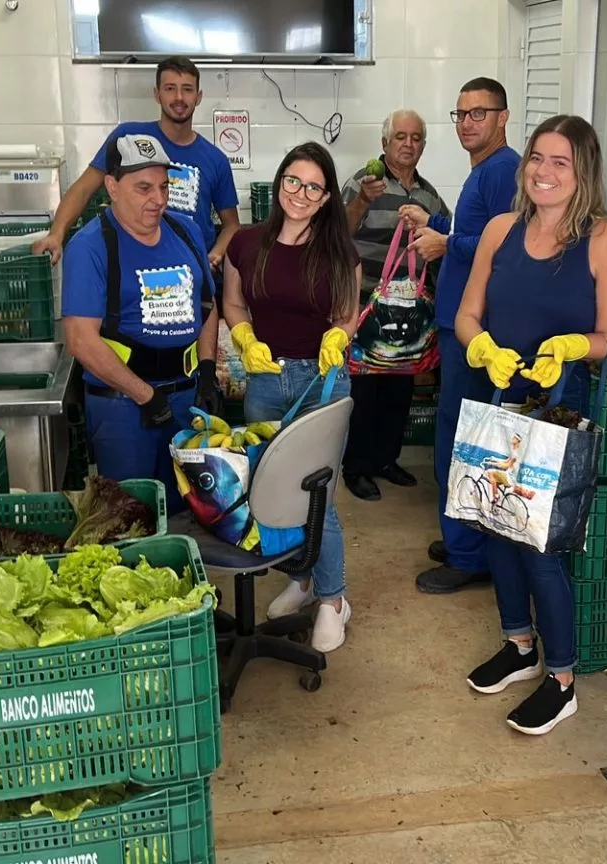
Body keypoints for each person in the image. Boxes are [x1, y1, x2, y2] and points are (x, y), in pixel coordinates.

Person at [455, 115, 607, 735]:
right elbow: (466, 315)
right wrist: (481, 347)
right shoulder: (501, 231)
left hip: (560, 408)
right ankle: (519, 645)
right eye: (537, 158)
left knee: (541, 545)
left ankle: (561, 679)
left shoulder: (604, 241)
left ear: (582, 173)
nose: (544, 171)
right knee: (494, 525)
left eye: (561, 162)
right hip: (499, 397)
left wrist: (573, 344)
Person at [223, 141, 362, 654]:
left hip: (321, 384)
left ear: (326, 197)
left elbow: (348, 313)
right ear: (279, 182)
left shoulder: (338, 252)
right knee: (275, 494)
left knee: (317, 495)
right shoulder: (247, 244)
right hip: (264, 379)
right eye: (292, 181)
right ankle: (301, 581)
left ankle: (332, 599)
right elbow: (234, 303)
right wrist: (244, 338)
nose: (300, 193)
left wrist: (338, 336)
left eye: (313, 186)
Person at [398, 77, 521, 595]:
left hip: (477, 332)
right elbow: (478, 228)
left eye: (479, 113)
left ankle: (470, 556)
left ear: (502, 117)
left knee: (464, 442)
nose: (468, 123)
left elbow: (504, 241)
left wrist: (446, 241)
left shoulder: (503, 168)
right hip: (458, 325)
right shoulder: (482, 170)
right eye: (462, 114)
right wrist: (437, 221)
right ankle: (464, 541)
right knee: (456, 436)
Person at [59, 133, 222, 513]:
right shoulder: (89, 247)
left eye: (164, 186)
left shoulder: (187, 230)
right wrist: (144, 396)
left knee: (188, 511)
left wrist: (209, 370)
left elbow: (207, 307)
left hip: (184, 398)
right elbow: (81, 341)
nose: (159, 199)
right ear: (112, 187)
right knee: (130, 514)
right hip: (122, 408)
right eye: (144, 188)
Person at [339, 108, 452, 502]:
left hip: (409, 312)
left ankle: (386, 459)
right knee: (364, 392)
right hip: (367, 308)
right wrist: (363, 204)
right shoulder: (363, 182)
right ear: (384, 143)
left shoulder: (429, 195)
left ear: (423, 145)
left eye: (416, 138)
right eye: (400, 137)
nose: (408, 144)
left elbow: (444, 245)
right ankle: (356, 467)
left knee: (398, 391)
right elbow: (338, 233)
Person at [34, 56, 240, 271]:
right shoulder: (128, 137)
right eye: (170, 88)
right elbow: (83, 189)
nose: (179, 97)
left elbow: (231, 225)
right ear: (156, 94)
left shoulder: (216, 159)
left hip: (189, 274)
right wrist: (56, 234)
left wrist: (214, 256)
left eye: (187, 89)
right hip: (131, 268)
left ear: (198, 97)